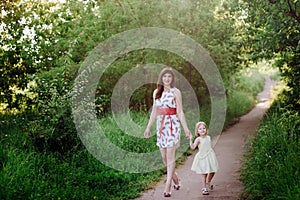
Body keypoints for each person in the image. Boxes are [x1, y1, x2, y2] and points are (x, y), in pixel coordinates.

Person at [144, 67, 191, 197]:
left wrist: (186, 129)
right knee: (164, 158)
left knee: (170, 158)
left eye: (169, 77)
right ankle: (176, 180)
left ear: (172, 79)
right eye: (165, 77)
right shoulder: (156, 92)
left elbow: (180, 112)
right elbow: (154, 111)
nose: (167, 79)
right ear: (161, 78)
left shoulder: (176, 92)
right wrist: (148, 127)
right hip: (161, 127)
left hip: (172, 125)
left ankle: (167, 187)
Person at [189, 121, 219, 195]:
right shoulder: (198, 139)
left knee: (213, 170)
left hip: (210, 156)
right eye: (200, 129)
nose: (202, 130)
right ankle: (204, 188)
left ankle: (208, 182)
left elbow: (208, 146)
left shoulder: (208, 137)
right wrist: (190, 140)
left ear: (206, 129)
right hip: (202, 157)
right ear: (197, 131)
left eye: (204, 128)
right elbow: (193, 147)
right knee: (204, 174)